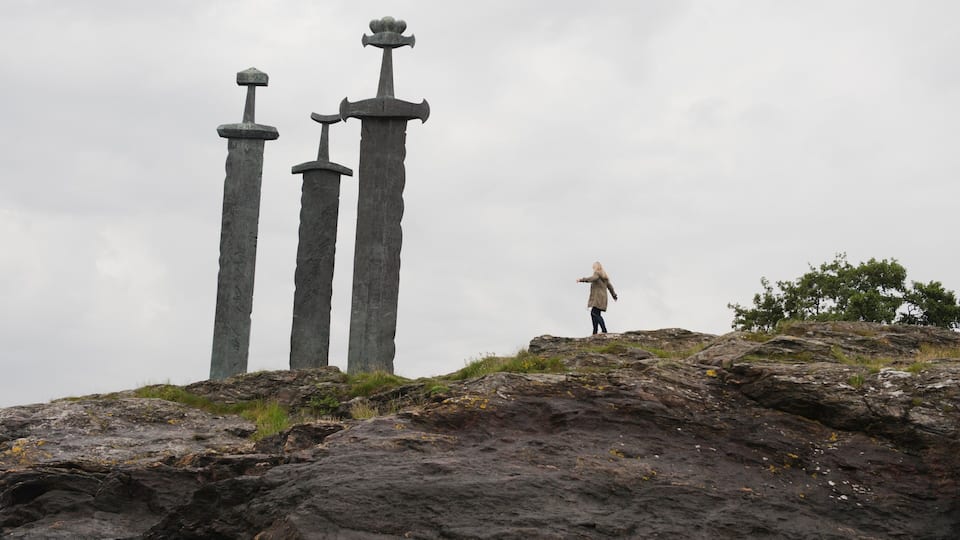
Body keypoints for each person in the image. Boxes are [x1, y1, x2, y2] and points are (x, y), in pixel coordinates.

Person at [576, 261, 618, 335]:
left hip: (597, 297)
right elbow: (610, 287)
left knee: (594, 313)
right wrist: (614, 295)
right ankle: (595, 332)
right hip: (603, 298)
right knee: (595, 313)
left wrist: (581, 280)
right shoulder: (605, 277)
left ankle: (603, 330)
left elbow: (592, 278)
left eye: (593, 267)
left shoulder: (597, 274)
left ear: (596, 267)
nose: (593, 269)